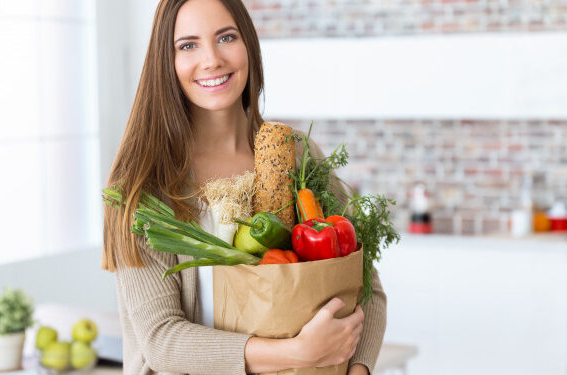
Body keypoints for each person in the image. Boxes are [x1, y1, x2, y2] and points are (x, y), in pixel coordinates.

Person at [102, 0, 387, 374]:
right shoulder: (144, 185)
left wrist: (358, 369)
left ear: (248, 45)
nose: (212, 60)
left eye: (226, 37)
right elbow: (161, 339)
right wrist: (298, 352)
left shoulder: (299, 157)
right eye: (188, 45)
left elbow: (365, 285)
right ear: (165, 62)